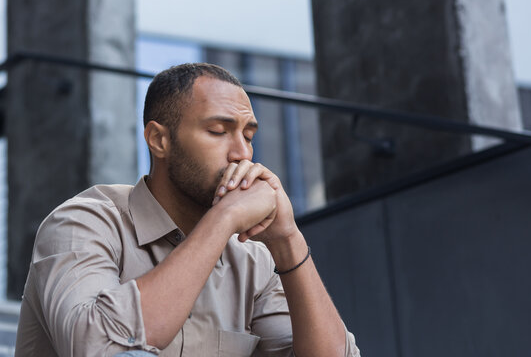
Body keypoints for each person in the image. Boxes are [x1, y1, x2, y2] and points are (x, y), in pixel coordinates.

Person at [15, 63, 361, 357]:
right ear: (159, 140)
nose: (242, 153)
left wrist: (287, 239)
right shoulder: (83, 223)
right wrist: (223, 218)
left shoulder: (252, 260)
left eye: (249, 136)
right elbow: (97, 345)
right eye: (218, 131)